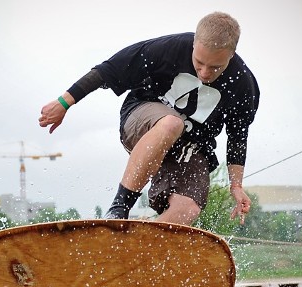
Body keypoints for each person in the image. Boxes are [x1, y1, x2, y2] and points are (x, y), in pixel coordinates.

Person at [39, 11, 260, 225]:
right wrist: (65, 102)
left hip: (189, 148)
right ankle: (119, 210)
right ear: (194, 44)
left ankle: (135, 251)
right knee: (172, 123)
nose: (204, 73)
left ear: (231, 54)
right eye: (199, 62)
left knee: (187, 210)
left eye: (215, 67)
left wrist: (236, 185)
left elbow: (238, 136)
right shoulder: (167, 49)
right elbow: (109, 69)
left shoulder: (243, 85)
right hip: (143, 118)